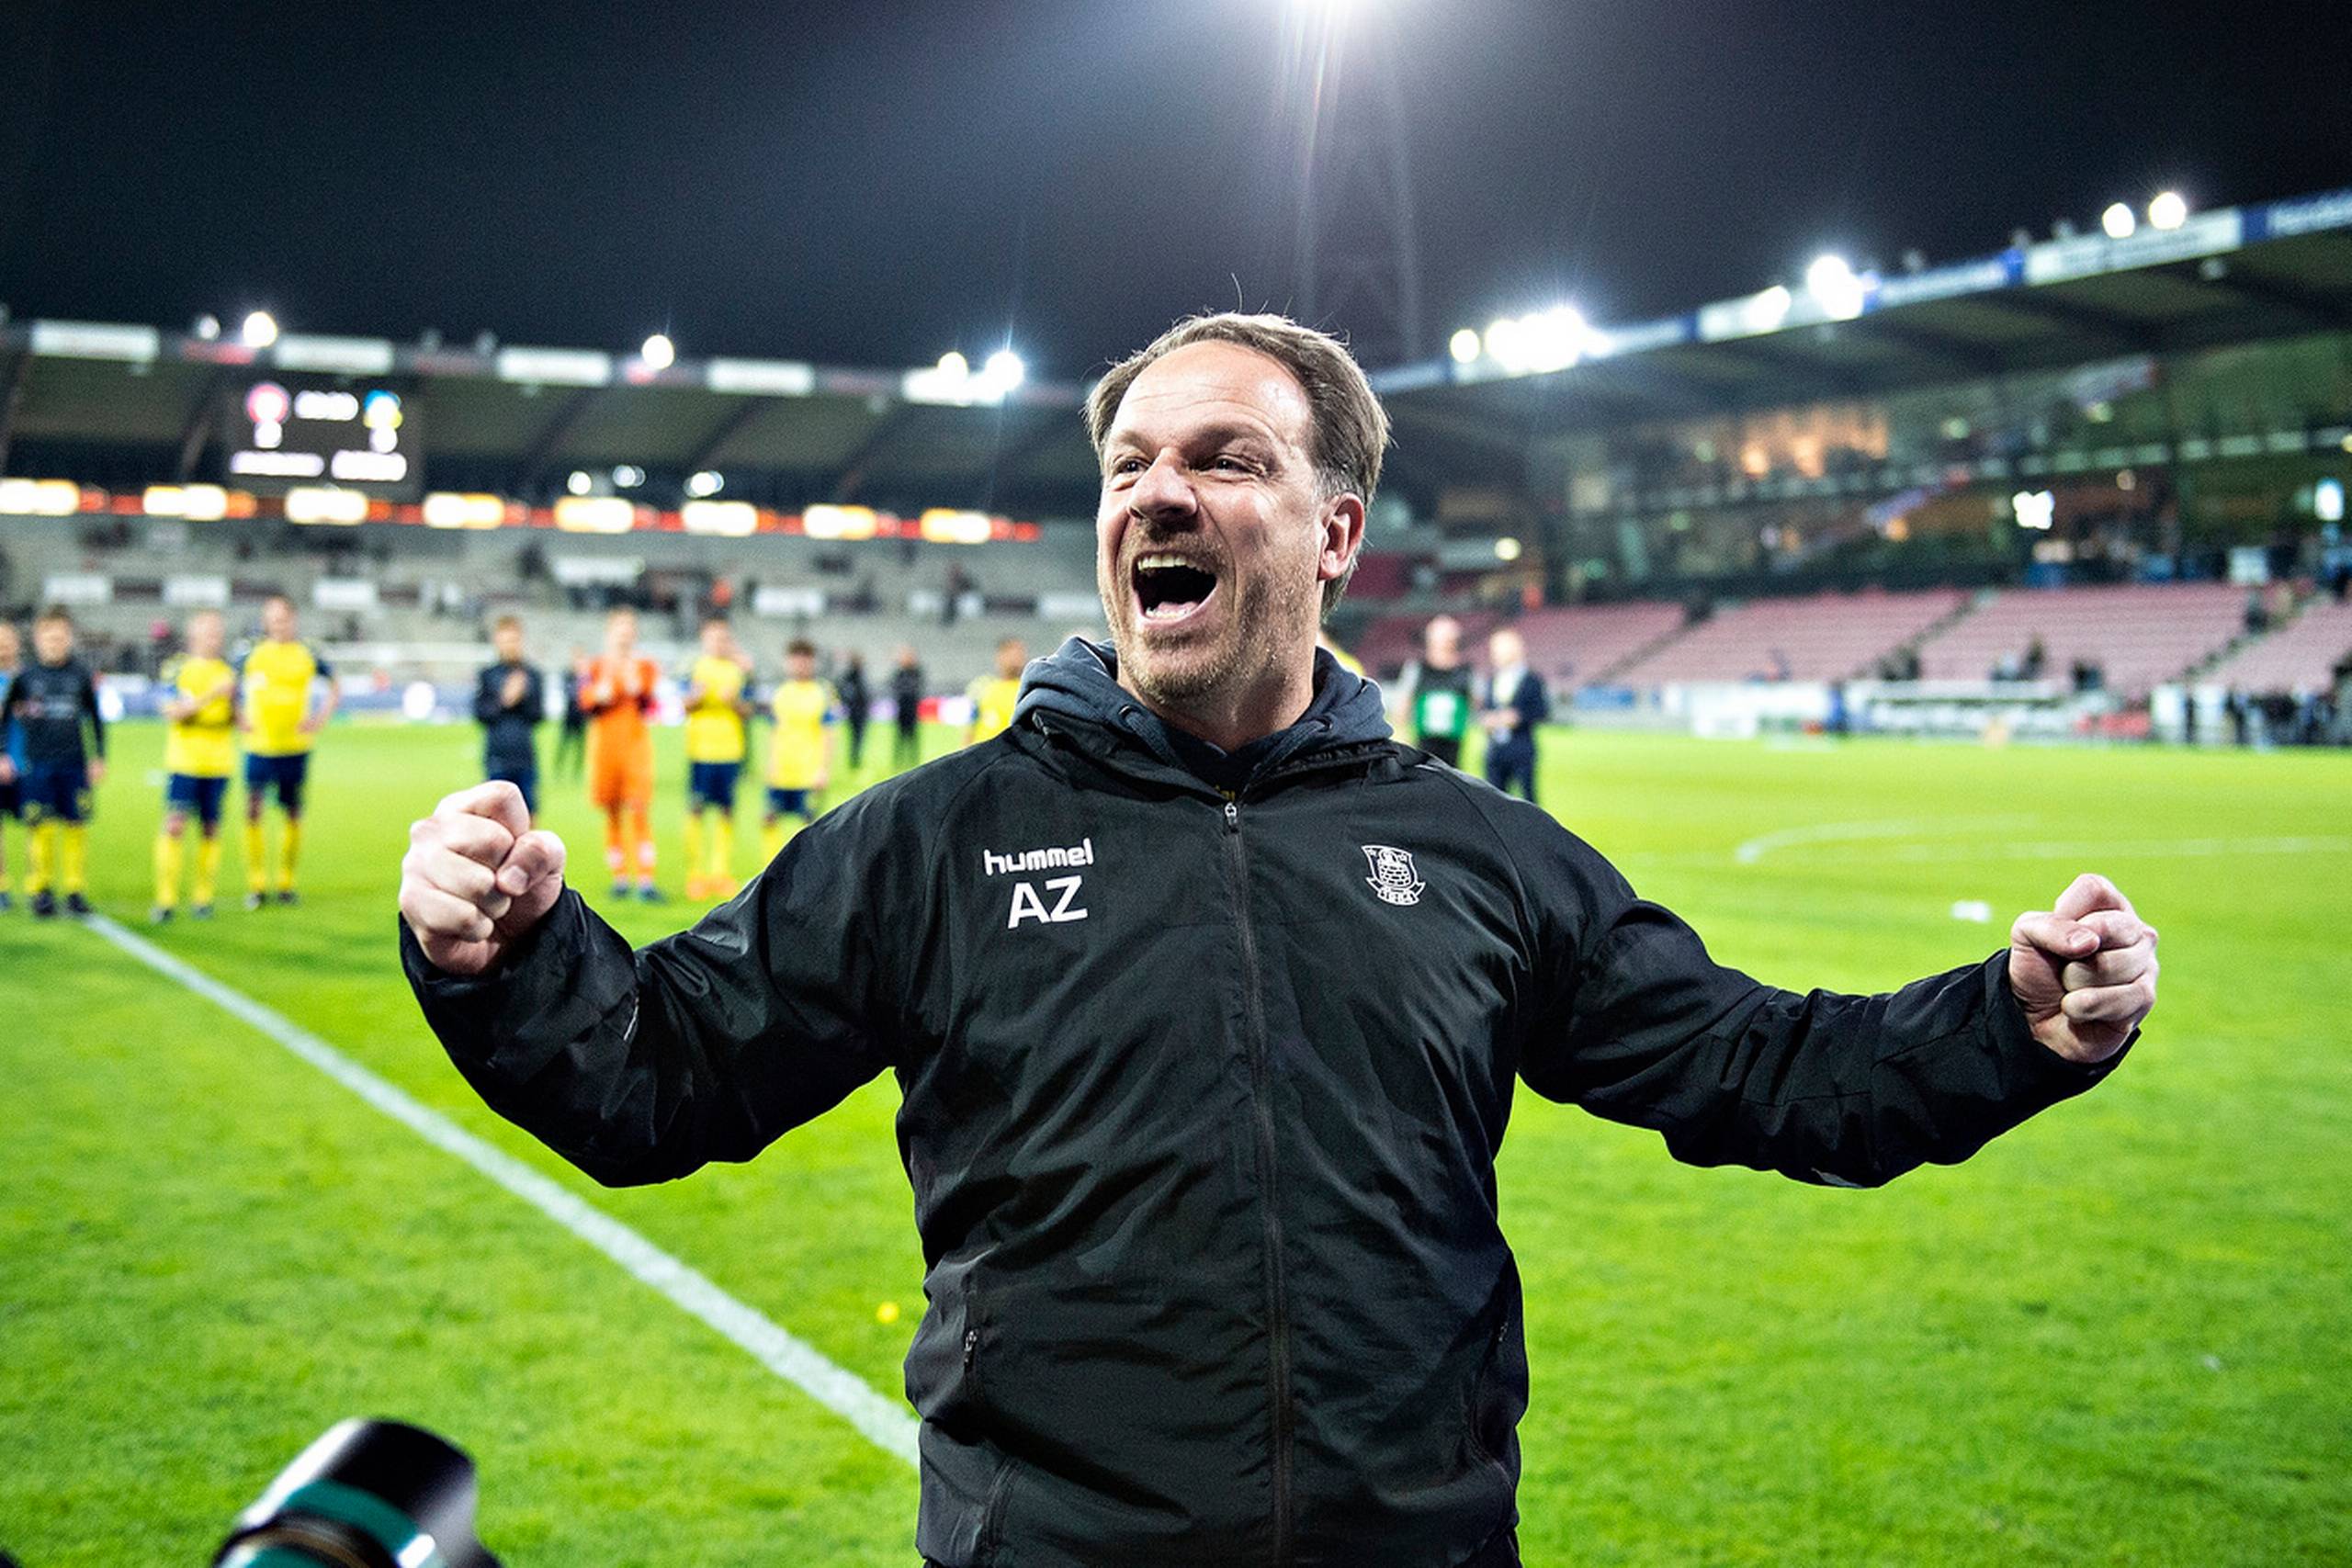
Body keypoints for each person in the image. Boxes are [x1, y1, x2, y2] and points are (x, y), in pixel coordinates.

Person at [399, 312, 2159, 1568]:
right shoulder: (935, 839)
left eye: (1224, 458)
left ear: (1334, 533)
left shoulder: (1482, 858)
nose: (1155, 494)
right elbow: (659, 1074)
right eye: (1128, 464)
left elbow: (1769, 1067)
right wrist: (502, 955)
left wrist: (2013, 1024)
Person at [1, 607, 106, 917]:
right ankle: (40, 890)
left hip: (75, 763)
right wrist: (4, 754)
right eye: (49, 637)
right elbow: (5, 720)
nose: (54, 643)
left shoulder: (81, 676)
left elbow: (95, 719)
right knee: (40, 827)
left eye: (60, 637)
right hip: (38, 764)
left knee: (76, 826)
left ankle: (74, 890)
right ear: (37, 639)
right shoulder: (25, 678)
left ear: (69, 638)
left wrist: (98, 756)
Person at [239, 594, 338, 909]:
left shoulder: (307, 653)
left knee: (292, 812)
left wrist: (319, 718)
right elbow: (227, 685)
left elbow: (336, 684)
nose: (278, 624)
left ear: (292, 619)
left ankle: (285, 882)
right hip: (259, 747)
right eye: (273, 618)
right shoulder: (250, 653)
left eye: (283, 618)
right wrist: (238, 717)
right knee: (252, 810)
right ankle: (256, 883)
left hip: (295, 748)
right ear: (266, 621)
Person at [153, 609, 238, 921]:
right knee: (174, 825)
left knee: (210, 829)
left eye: (218, 632)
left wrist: (232, 707)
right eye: (208, 631)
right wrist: (210, 696)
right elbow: (173, 712)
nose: (214, 637)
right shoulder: (177, 669)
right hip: (184, 761)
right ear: (194, 635)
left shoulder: (228, 672)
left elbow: (234, 719)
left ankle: (203, 899)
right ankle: (166, 900)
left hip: (218, 763)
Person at [581, 609, 661, 901]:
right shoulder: (597, 666)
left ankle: (646, 879)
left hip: (635, 749)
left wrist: (636, 689)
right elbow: (585, 700)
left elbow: (651, 702)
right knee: (612, 814)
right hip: (606, 750)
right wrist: (596, 694)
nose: (625, 634)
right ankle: (620, 878)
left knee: (639, 811)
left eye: (629, 628)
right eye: (619, 629)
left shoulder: (645, 666)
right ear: (610, 633)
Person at [681, 617, 752, 900]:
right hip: (700, 750)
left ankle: (720, 873)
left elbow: (748, 711)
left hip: (730, 750)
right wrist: (695, 698)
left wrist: (733, 702)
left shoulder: (738, 671)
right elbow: (683, 705)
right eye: (713, 638)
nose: (718, 643)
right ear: (704, 639)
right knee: (696, 809)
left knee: (726, 810)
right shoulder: (694, 668)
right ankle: (696, 874)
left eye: (723, 638)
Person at [760, 637, 834, 859]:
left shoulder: (823, 692)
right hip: (782, 770)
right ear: (788, 662)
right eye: (795, 660)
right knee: (769, 819)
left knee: (810, 826)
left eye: (805, 660)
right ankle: (769, 872)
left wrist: (823, 768)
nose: (800, 665)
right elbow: (775, 731)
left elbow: (828, 733)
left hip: (808, 771)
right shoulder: (780, 692)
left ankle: (806, 875)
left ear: (812, 662)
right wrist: (771, 763)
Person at [475, 616, 545, 818]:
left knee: (528, 815)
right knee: (494, 815)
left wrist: (522, 697)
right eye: (506, 640)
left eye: (514, 639)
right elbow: (480, 714)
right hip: (496, 756)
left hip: (524, 755)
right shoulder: (488, 675)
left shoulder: (532, 675)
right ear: (497, 641)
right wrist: (505, 700)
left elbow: (538, 715)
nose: (510, 645)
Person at [1477, 623, 1549, 804]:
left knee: (1528, 799)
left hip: (1521, 749)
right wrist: (1487, 719)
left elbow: (1542, 710)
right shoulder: (1492, 679)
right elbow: (1485, 708)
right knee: (1493, 801)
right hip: (1495, 750)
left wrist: (1518, 717)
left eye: (1500, 647)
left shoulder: (1532, 680)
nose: (1495, 653)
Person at [1401, 613, 1475, 766]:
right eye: (1441, 637)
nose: (1445, 642)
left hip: (1455, 742)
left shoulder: (1466, 672)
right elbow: (1403, 705)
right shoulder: (1417, 669)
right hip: (1424, 740)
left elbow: (1477, 704)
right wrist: (1404, 735)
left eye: (1449, 637)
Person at [964, 637, 1026, 746]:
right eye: (1011, 653)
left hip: (1011, 756)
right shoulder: (982, 687)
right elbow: (972, 724)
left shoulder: (1026, 690)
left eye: (1019, 654)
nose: (1016, 659)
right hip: (982, 755)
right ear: (1000, 656)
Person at [0, 620, 21, 910]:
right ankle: (2, 886)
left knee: (36, 823)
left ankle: (37, 885)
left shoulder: (28, 679)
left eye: (7, 641)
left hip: (28, 762)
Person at [552, 647, 590, 780]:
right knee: (563, 745)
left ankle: (577, 772)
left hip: (582, 716)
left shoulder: (587, 676)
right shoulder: (567, 675)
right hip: (569, 715)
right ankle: (558, 770)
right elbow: (567, 692)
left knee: (581, 747)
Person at [888, 644, 923, 770]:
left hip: (912, 709)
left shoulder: (917, 672)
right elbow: (894, 686)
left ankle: (913, 760)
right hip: (901, 709)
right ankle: (898, 761)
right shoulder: (899, 672)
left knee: (913, 737)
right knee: (899, 737)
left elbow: (916, 687)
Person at [835, 649, 870, 772]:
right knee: (856, 737)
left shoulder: (857, 674)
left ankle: (855, 760)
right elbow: (844, 691)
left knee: (857, 738)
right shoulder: (852, 675)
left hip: (858, 710)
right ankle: (854, 760)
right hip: (856, 711)